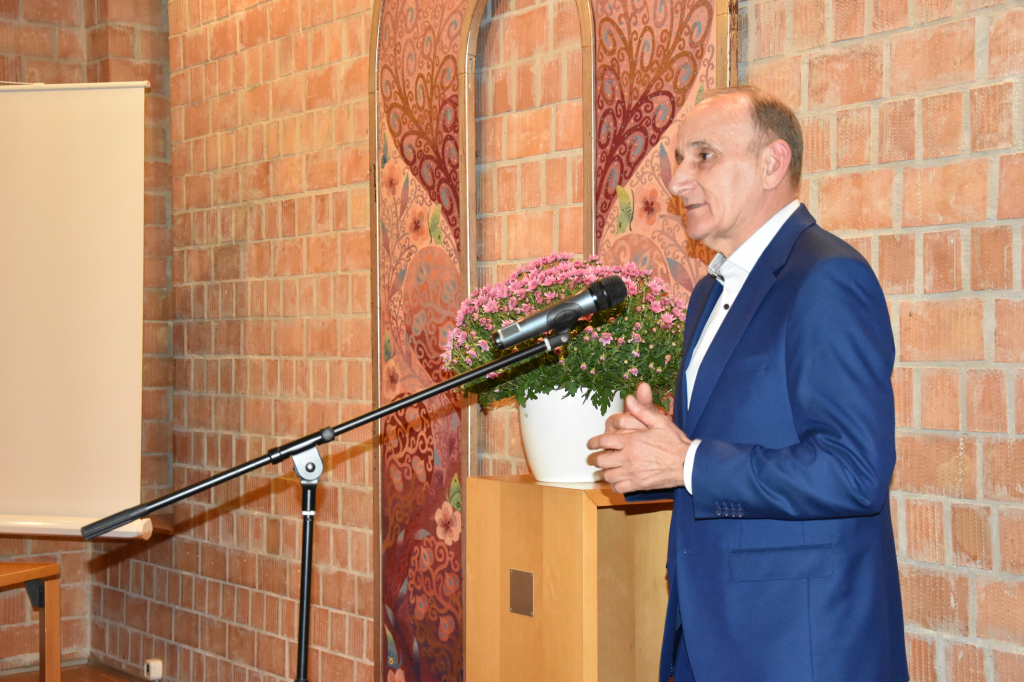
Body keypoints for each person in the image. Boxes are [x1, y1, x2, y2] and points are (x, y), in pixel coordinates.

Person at [588, 86, 908, 682]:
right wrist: (645, 458)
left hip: (798, 648)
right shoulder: (709, 293)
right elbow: (720, 448)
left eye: (703, 156)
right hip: (708, 637)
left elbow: (855, 471)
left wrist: (686, 462)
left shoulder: (827, 278)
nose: (679, 181)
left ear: (771, 163)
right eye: (679, 159)